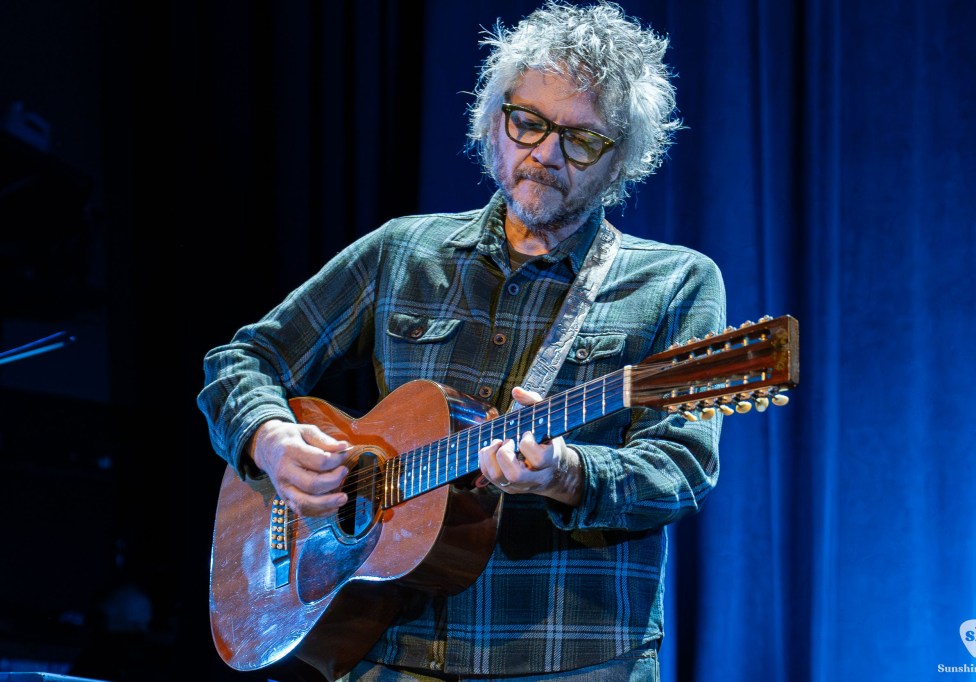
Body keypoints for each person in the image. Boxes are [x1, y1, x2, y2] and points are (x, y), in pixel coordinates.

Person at [198, 2, 726, 680]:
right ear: (493, 120)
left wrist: (568, 474)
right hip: (388, 651)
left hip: (572, 659)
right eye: (528, 122)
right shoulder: (401, 251)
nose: (546, 153)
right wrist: (270, 440)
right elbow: (242, 361)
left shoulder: (675, 282)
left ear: (619, 159)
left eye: (582, 140)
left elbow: (682, 468)